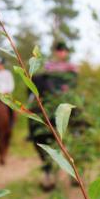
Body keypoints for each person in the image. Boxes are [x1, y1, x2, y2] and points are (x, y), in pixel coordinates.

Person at [28, 42, 79, 191]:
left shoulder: (71, 67)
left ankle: (77, 130)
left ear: (66, 52)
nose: (61, 53)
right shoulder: (49, 66)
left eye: (64, 50)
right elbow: (44, 81)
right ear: (56, 52)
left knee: (78, 109)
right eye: (59, 50)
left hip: (66, 96)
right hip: (50, 97)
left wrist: (65, 90)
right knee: (31, 104)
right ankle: (32, 131)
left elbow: (73, 82)